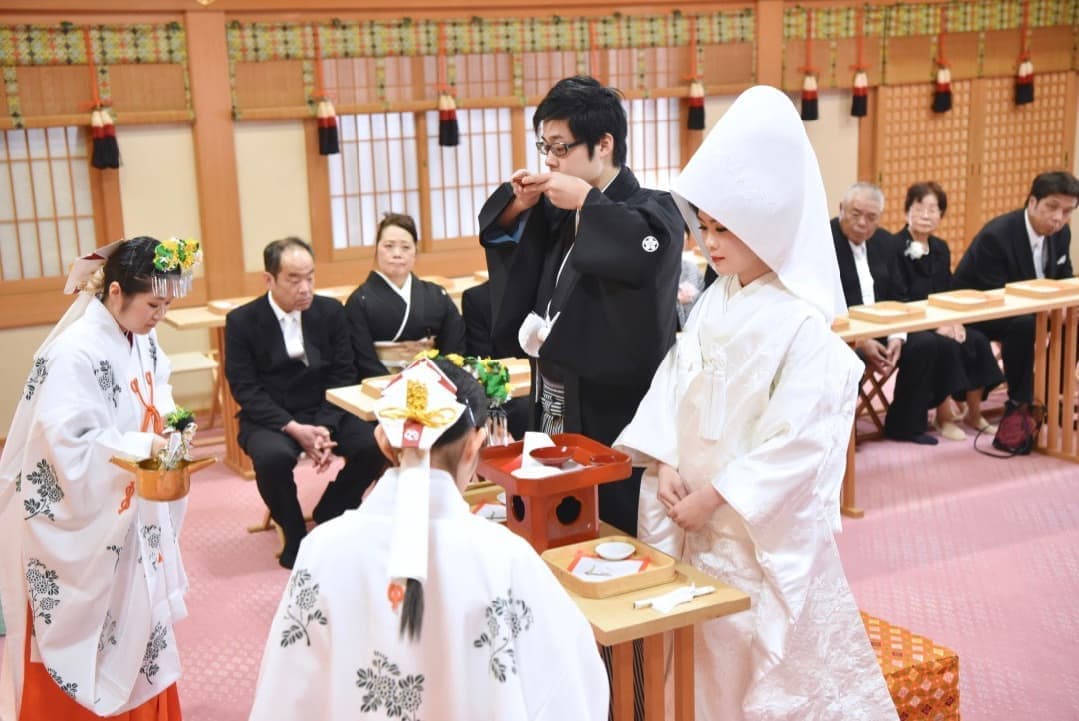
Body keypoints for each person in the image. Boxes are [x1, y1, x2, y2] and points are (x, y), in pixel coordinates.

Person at [616, 86, 897, 721]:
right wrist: (662, 460)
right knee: (688, 654)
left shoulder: (799, 321)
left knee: (742, 656)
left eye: (725, 231)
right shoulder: (717, 298)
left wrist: (717, 496)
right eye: (705, 228)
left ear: (769, 231)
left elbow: (801, 439)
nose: (709, 245)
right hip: (687, 507)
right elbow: (675, 380)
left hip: (745, 531)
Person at [248, 358, 608, 721]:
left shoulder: (322, 549)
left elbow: (287, 692)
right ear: (475, 445)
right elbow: (571, 685)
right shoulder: (506, 557)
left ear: (382, 442)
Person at [0, 236, 201, 719]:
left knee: (138, 619)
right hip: (85, 516)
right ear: (115, 293)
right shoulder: (73, 352)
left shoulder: (143, 337)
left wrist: (174, 424)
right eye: (154, 303)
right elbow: (66, 444)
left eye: (167, 304)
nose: (160, 314)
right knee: (90, 625)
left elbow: (159, 392)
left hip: (131, 507)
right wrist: (140, 446)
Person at [476, 74, 683, 536]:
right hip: (554, 384)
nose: (549, 159)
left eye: (560, 147)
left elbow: (644, 249)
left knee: (609, 516)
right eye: (544, 147)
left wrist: (589, 203)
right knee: (552, 501)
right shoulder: (557, 207)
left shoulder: (655, 210)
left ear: (604, 144)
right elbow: (503, 235)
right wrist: (518, 204)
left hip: (612, 398)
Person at [225, 237, 385, 569]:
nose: (305, 288)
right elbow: (245, 388)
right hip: (272, 416)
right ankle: (295, 535)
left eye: (310, 277)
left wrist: (324, 426)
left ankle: (332, 511)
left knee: (374, 444)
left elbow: (344, 374)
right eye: (294, 279)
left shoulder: (330, 311)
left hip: (325, 407)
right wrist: (295, 429)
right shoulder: (242, 321)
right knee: (272, 457)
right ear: (269, 279)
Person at [952, 171, 1078, 406]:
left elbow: (1064, 278)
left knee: (1075, 317)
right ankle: (1022, 401)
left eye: (1067, 211)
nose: (1058, 218)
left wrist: (1063, 307)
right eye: (1052, 207)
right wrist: (1048, 311)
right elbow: (996, 294)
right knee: (1023, 324)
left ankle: (1050, 391)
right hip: (982, 311)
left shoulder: (1062, 234)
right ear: (1032, 202)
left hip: (1035, 308)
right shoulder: (997, 235)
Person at [893, 182, 1004, 438]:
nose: (925, 215)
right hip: (912, 324)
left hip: (942, 318)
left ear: (941, 216)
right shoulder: (895, 246)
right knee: (946, 345)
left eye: (933, 210)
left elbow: (947, 290)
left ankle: (975, 414)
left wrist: (955, 321)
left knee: (976, 339)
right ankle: (944, 417)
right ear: (906, 211)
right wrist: (937, 325)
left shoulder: (941, 248)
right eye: (919, 208)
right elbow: (901, 297)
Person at [832, 182, 940, 444]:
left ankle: (905, 425)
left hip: (882, 327)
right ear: (841, 209)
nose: (862, 223)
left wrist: (897, 336)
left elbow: (898, 296)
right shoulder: (824, 242)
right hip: (842, 334)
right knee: (846, 358)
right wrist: (860, 340)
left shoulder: (884, 242)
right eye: (855, 214)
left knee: (925, 343)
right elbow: (826, 303)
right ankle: (841, 437)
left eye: (871, 217)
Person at [345, 213, 467, 380]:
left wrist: (440, 378)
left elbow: (454, 346)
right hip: (381, 387)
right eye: (388, 246)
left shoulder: (437, 295)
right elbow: (363, 360)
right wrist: (393, 387)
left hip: (434, 382)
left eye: (405, 247)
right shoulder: (359, 301)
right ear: (377, 248)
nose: (397, 254)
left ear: (415, 251)